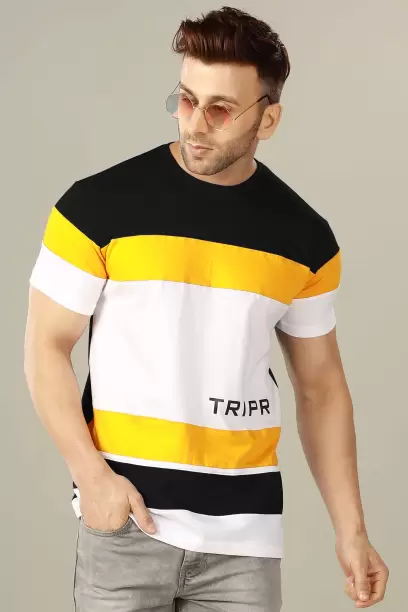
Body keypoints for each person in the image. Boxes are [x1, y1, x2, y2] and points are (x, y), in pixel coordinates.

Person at [24, 5, 389, 611]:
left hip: (244, 542)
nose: (195, 124)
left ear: (268, 119)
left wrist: (351, 531)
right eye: (186, 100)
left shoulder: (305, 239)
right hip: (125, 524)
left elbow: (321, 388)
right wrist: (91, 477)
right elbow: (45, 346)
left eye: (220, 109)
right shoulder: (95, 208)